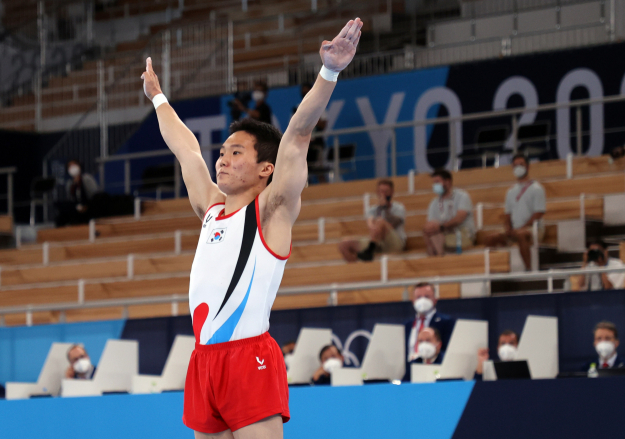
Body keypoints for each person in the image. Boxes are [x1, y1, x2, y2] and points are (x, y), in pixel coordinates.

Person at [141, 17, 363, 438]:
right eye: (223, 151)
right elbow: (186, 149)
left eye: (236, 152)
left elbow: (297, 135)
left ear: (266, 168)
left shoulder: (273, 209)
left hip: (250, 359)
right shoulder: (210, 208)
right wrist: (158, 99)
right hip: (204, 360)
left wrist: (329, 72)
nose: (222, 159)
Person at [484, 154, 546, 271]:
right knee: (490, 238)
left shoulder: (537, 188)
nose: (518, 167)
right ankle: (494, 272)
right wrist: (507, 228)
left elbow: (539, 213)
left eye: (521, 165)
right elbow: (508, 215)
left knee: (521, 235)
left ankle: (529, 269)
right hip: (515, 229)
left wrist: (522, 227)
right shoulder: (510, 191)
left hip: (533, 228)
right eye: (515, 165)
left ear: (527, 167)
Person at [338, 179, 406, 262]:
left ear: (392, 192)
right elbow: (370, 224)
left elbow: (393, 224)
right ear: (377, 192)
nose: (383, 194)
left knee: (380, 221)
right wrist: (373, 226)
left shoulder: (399, 208)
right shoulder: (372, 210)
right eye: (381, 191)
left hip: (394, 242)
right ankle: (356, 268)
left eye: (386, 191)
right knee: (344, 245)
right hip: (377, 241)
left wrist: (385, 208)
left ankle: (370, 249)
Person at [423, 169, 475, 256]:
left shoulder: (462, 196)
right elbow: (431, 225)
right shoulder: (433, 203)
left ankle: (439, 257)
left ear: (447, 181)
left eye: (437, 182)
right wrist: (434, 228)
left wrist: (441, 227)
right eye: (434, 183)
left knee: (435, 238)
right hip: (443, 234)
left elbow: (460, 218)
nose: (435, 185)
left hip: (462, 234)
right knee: (429, 229)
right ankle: (439, 256)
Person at [404, 283, 455, 366]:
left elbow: (450, 350)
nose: (422, 300)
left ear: (435, 300)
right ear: (413, 301)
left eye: (427, 297)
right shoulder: (407, 326)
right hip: (410, 372)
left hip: (435, 368)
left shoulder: (446, 322)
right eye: (419, 297)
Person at [55, 160, 99, 227]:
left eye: (74, 165)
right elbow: (71, 199)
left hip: (89, 205)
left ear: (79, 166)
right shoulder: (69, 183)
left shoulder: (87, 178)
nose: (72, 167)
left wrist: (85, 206)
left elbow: (95, 194)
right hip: (76, 207)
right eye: (70, 166)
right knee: (59, 205)